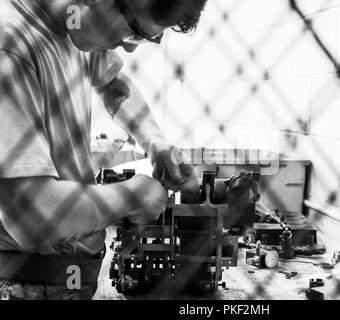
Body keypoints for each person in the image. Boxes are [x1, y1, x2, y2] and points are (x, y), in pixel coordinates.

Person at [0, 0, 207, 299]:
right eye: (136, 32)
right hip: (25, 283)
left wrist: (155, 142)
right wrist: (133, 196)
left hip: (65, 277)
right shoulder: (11, 47)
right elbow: (32, 215)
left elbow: (113, 83)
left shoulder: (74, 24)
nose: (132, 48)